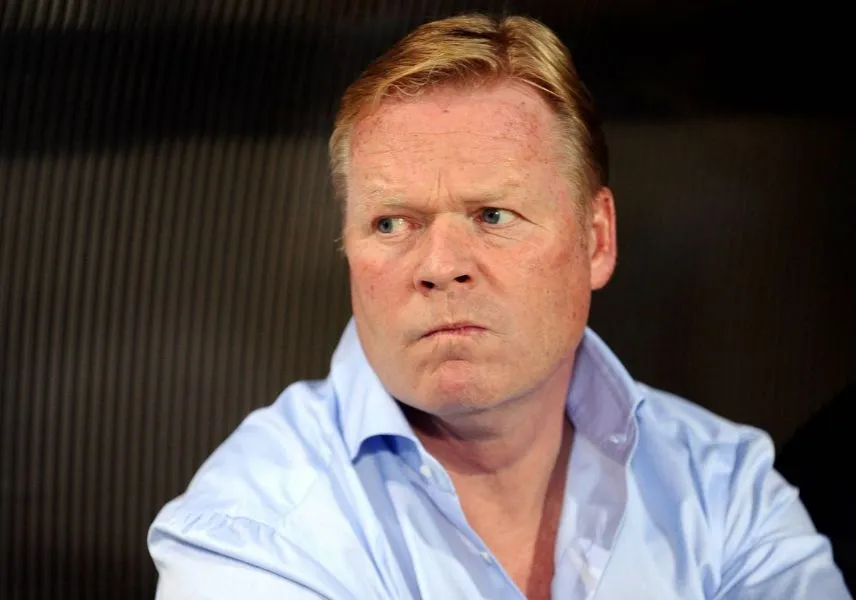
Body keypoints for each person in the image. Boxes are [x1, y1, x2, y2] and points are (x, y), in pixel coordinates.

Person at [147, 13, 851, 599]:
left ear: (596, 240)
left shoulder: (723, 491)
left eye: (492, 215)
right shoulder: (252, 533)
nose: (440, 266)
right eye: (391, 223)